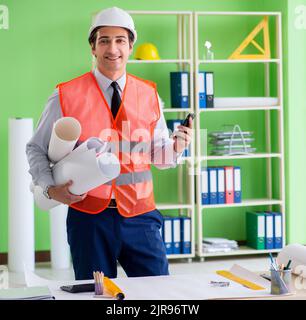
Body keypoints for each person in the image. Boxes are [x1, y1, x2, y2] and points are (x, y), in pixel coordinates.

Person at [26, 7, 193, 280]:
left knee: (159, 293)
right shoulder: (65, 95)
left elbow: (159, 159)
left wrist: (176, 147)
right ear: (93, 47)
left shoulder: (149, 94)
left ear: (130, 46)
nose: (112, 48)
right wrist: (49, 189)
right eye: (104, 40)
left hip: (141, 216)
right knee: (96, 295)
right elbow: (35, 148)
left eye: (120, 41)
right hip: (89, 219)